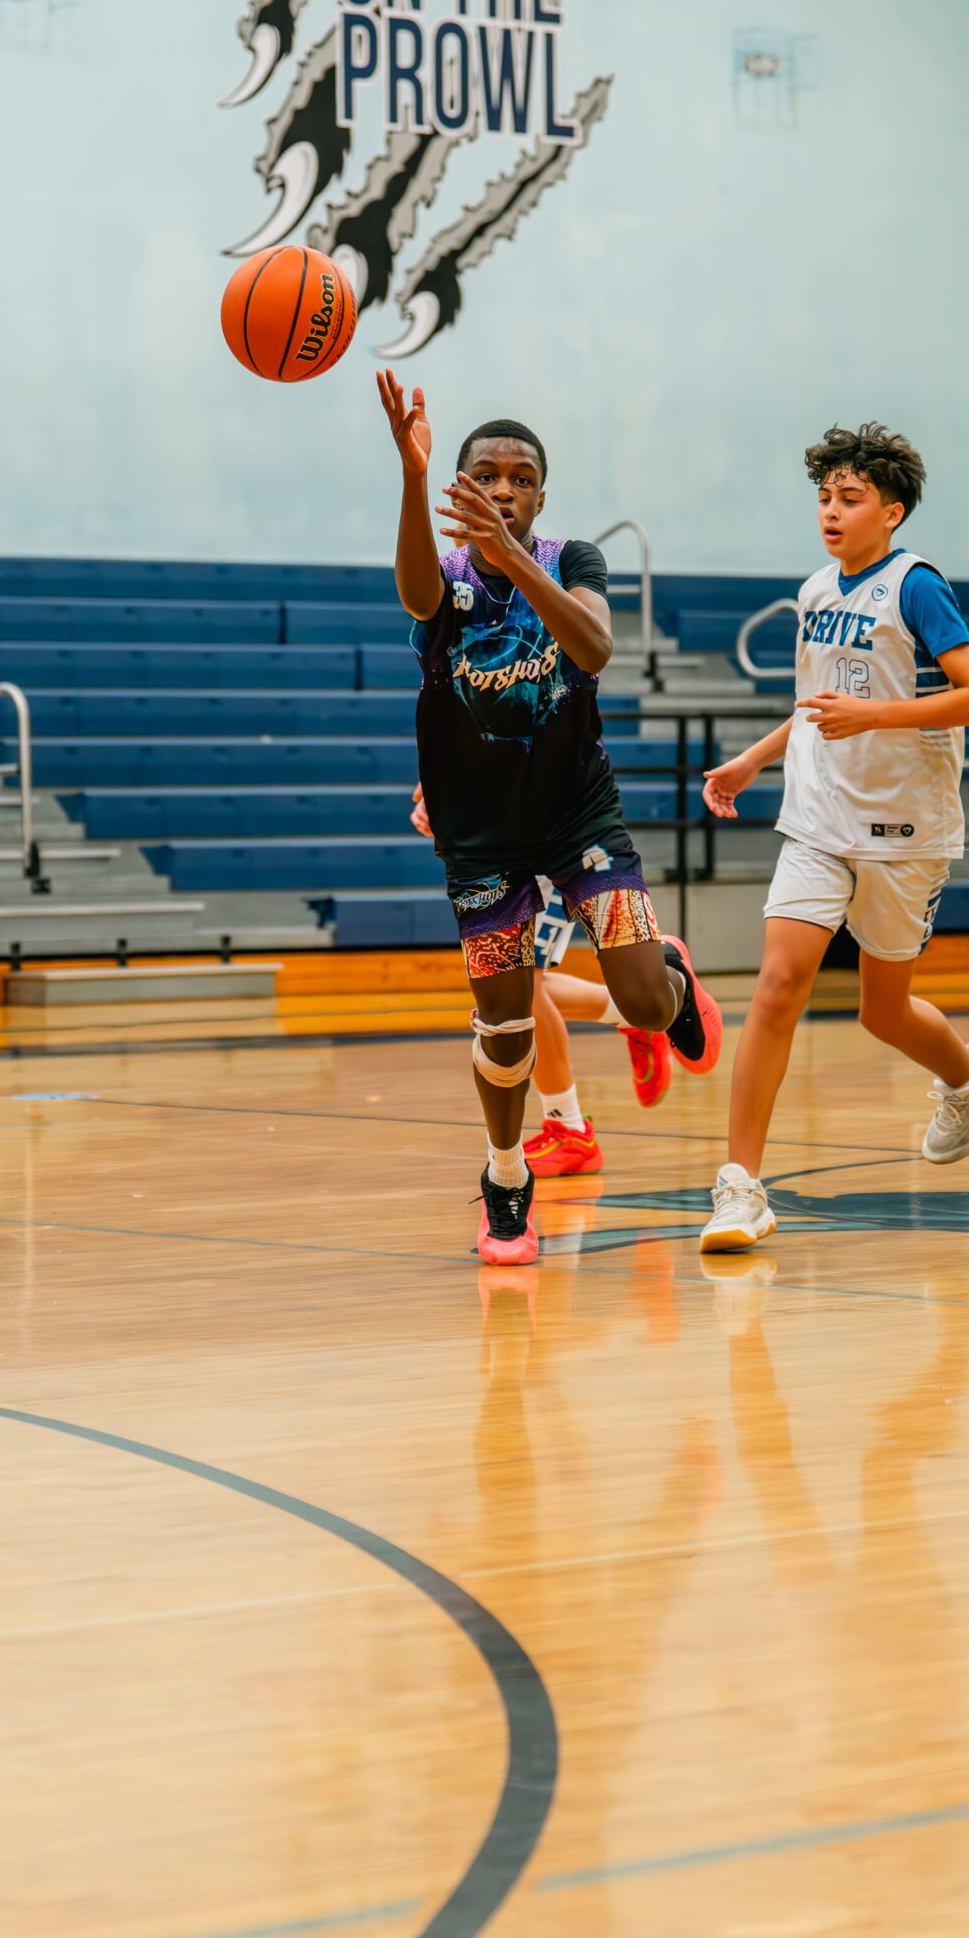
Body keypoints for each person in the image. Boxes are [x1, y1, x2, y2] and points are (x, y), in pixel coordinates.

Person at [379, 369, 721, 1266]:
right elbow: (415, 595)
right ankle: (505, 1178)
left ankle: (672, 976)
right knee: (505, 1026)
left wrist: (515, 554)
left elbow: (595, 646)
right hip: (480, 834)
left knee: (642, 1003)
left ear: (541, 496)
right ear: (462, 489)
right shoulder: (446, 578)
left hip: (579, 818)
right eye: (486, 476)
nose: (504, 489)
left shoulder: (573, 561)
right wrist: (412, 475)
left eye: (521, 478)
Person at [700, 422, 969, 1254]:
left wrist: (876, 715)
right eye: (824, 497)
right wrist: (753, 760)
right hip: (819, 817)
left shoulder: (917, 587)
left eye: (851, 498)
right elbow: (815, 704)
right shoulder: (815, 592)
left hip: (906, 829)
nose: (831, 512)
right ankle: (740, 1188)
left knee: (882, 1012)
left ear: (892, 511)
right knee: (778, 985)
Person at [410, 782, 675, 1178]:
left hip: (552, 837)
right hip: (498, 837)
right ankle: (631, 1009)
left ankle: (569, 1126)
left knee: (526, 982)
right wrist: (442, 786)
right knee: (514, 987)